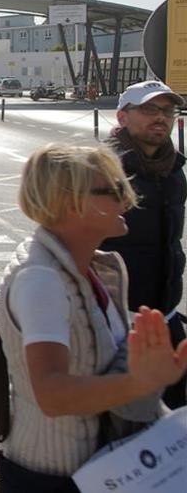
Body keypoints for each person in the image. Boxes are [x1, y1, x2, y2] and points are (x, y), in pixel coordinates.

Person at [0, 143, 186, 490]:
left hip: (100, 469)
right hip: (53, 478)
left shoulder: (90, 267)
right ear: (69, 201)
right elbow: (52, 395)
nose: (127, 199)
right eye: (113, 190)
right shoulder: (41, 279)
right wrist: (140, 381)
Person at [101, 80, 186, 408]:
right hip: (118, 321)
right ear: (122, 117)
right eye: (150, 109)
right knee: (125, 421)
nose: (161, 118)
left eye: (167, 110)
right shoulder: (104, 169)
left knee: (175, 418)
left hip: (164, 314)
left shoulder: (174, 169)